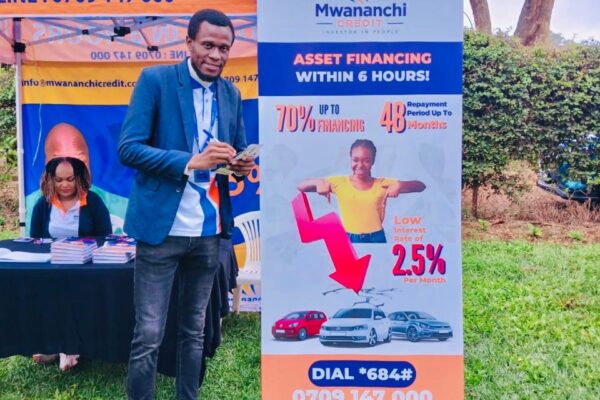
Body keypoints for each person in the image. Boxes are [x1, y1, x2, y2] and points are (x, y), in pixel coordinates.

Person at [118, 8, 254, 400]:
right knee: (149, 334)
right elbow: (128, 148)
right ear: (189, 42)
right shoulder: (156, 81)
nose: (216, 55)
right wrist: (190, 161)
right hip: (160, 231)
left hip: (208, 233)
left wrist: (240, 166)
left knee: (194, 332)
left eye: (224, 48)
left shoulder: (231, 93)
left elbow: (235, 154)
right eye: (208, 45)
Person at [30, 156, 112, 370]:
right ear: (50, 180)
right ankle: (54, 345)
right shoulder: (43, 204)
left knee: (74, 292)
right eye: (58, 180)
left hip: (85, 268)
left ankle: (70, 348)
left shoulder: (93, 202)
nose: (64, 185)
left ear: (79, 179)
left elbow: (105, 237)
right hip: (52, 267)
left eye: (70, 179)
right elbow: (35, 241)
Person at [297, 139, 425, 243]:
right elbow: (300, 186)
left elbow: (420, 186)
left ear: (373, 161)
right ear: (350, 159)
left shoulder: (382, 183)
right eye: (355, 160)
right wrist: (318, 182)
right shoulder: (338, 182)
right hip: (348, 238)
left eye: (366, 160)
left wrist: (399, 185)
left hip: (376, 238)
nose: (360, 165)